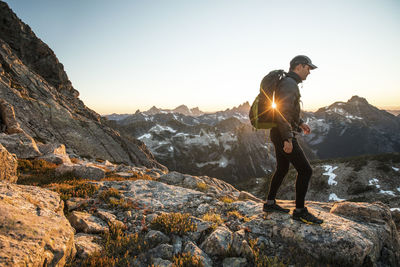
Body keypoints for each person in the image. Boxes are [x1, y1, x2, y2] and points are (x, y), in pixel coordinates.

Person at [262, 55, 323, 225]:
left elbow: (288, 111)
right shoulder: (289, 84)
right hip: (283, 134)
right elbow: (283, 112)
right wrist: (288, 139)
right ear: (298, 66)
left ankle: (270, 203)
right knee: (306, 170)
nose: (309, 72)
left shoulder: (289, 83)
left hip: (279, 132)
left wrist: (301, 123)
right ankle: (300, 211)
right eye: (308, 68)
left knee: (282, 168)